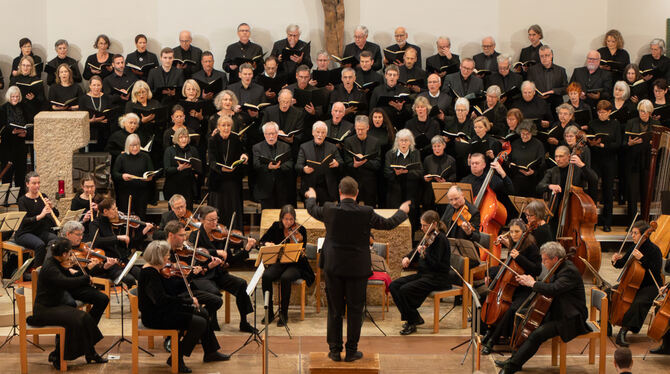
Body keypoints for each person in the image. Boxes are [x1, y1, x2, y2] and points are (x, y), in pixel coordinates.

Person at [305, 177, 410, 362]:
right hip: (357, 269)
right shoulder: (365, 212)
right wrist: (402, 212)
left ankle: (335, 350)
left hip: (334, 267)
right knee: (355, 311)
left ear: (339, 192)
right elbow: (388, 224)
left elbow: (312, 210)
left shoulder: (329, 209)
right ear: (357, 193)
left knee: (335, 311)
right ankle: (351, 351)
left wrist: (311, 197)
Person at [495, 242, 588, 374]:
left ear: (555, 258)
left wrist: (532, 283)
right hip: (557, 311)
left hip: (570, 318)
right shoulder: (558, 267)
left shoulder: (569, 271)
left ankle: (512, 367)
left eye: (545, 260)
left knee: (537, 334)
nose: (543, 263)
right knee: (523, 317)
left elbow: (554, 289)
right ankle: (515, 359)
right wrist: (530, 282)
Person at [138, 240, 229, 373]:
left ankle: (211, 352)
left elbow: (172, 288)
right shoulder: (150, 273)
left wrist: (191, 276)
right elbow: (161, 300)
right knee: (199, 323)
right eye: (166, 255)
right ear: (158, 256)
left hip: (163, 310)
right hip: (155, 316)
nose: (168, 258)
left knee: (202, 312)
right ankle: (176, 358)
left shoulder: (155, 270)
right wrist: (188, 301)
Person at [30, 238, 108, 369]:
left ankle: (85, 352)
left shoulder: (56, 263)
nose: (71, 256)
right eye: (70, 253)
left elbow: (70, 278)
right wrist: (85, 278)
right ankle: (61, 356)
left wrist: (86, 273)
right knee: (79, 318)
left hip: (55, 305)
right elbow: (65, 282)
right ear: (64, 254)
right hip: (45, 309)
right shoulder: (50, 268)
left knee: (82, 318)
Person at [186, 207, 258, 333]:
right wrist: (215, 252)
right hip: (203, 275)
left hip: (218, 274)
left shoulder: (221, 236)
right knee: (213, 292)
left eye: (216, 219)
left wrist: (246, 249)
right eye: (211, 220)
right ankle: (210, 321)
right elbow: (194, 253)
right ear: (202, 220)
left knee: (241, 284)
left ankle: (244, 322)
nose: (215, 223)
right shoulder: (195, 235)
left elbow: (232, 260)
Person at [481, 218, 542, 355]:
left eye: (517, 232)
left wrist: (519, 257)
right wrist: (489, 275)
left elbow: (536, 270)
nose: (514, 235)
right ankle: (488, 331)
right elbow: (507, 267)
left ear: (524, 231)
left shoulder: (531, 246)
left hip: (525, 287)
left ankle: (493, 339)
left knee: (511, 309)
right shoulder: (514, 244)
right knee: (485, 297)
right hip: (510, 285)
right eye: (512, 232)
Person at [390, 210, 451, 335]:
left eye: (425, 225)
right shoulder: (428, 236)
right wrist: (407, 257)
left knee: (405, 290)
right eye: (421, 225)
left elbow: (436, 264)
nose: (422, 228)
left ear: (434, 224)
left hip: (438, 277)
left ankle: (412, 321)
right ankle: (414, 318)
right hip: (424, 274)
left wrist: (424, 254)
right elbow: (415, 251)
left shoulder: (441, 239)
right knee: (394, 286)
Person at [259, 205, 314, 326]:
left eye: (291, 219)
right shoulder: (275, 227)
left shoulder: (301, 230)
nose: (288, 222)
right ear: (281, 218)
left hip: (296, 264)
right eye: (286, 219)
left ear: (294, 219)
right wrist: (267, 243)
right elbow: (261, 242)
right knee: (267, 276)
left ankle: (284, 313)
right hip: (280, 263)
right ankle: (269, 312)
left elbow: (301, 251)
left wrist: (299, 248)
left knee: (285, 278)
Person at [611, 220, 663, 347]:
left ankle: (623, 332)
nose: (632, 236)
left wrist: (642, 259)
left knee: (639, 303)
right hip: (633, 284)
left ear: (644, 235)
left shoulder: (654, 250)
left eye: (635, 233)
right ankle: (606, 324)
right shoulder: (634, 248)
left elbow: (656, 271)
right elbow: (622, 264)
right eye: (632, 233)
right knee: (609, 293)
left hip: (651, 285)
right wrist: (615, 261)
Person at [537, 146, 598, 226]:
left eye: (561, 156)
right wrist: (550, 186)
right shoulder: (552, 171)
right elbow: (539, 187)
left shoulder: (578, 170)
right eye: (556, 156)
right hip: (555, 211)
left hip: (574, 210)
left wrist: (582, 165)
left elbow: (594, 179)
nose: (558, 159)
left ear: (569, 157)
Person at [208, 115, 248, 230]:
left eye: (228, 125)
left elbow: (243, 152)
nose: (226, 128)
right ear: (218, 127)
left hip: (233, 180)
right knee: (218, 210)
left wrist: (244, 157)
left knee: (233, 210)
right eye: (223, 125)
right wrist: (221, 169)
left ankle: (235, 238)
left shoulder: (236, 139)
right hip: (218, 181)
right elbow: (211, 161)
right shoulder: (213, 140)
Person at [587, 100, 621, 232]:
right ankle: (592, 221)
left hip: (609, 160)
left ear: (609, 112)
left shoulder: (615, 124)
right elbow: (589, 140)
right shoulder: (592, 123)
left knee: (607, 191)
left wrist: (603, 145)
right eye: (599, 112)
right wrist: (593, 143)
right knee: (593, 191)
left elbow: (617, 143)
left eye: (603, 112)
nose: (600, 115)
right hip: (595, 159)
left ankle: (607, 222)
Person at [90, 198, 153, 268]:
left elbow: (129, 244)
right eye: (113, 209)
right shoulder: (95, 224)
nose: (117, 211)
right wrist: (117, 237)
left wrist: (143, 232)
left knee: (139, 274)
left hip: (122, 259)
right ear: (105, 211)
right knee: (130, 279)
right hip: (107, 261)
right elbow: (97, 241)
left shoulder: (118, 224)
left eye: (116, 208)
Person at [15, 172, 59, 269]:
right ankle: (35, 272)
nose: (37, 186)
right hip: (25, 232)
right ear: (27, 184)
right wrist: (41, 215)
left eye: (38, 183)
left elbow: (56, 215)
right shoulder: (22, 200)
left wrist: (52, 207)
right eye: (34, 183)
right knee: (40, 245)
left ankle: (48, 267)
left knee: (55, 239)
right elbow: (24, 221)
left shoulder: (43, 196)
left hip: (39, 231)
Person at [623, 99, 658, 221]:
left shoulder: (655, 124)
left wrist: (653, 143)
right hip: (633, 162)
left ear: (650, 112)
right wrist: (630, 143)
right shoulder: (631, 122)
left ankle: (644, 221)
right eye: (641, 111)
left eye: (645, 111)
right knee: (632, 194)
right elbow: (624, 144)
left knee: (645, 193)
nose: (642, 114)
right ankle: (631, 223)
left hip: (648, 162)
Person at [384, 129, 422, 229]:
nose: (403, 143)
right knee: (394, 219)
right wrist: (396, 173)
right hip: (394, 192)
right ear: (397, 142)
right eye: (401, 140)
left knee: (411, 220)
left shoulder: (415, 153)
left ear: (410, 142)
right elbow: (386, 173)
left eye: (406, 140)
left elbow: (419, 172)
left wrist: (407, 172)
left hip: (411, 192)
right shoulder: (390, 154)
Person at [296, 121, 343, 203]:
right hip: (310, 186)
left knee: (326, 214)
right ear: (313, 133)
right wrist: (304, 169)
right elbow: (298, 165)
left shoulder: (332, 147)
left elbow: (341, 162)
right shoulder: (304, 147)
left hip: (327, 187)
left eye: (323, 132)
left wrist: (337, 163)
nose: (320, 135)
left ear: (326, 134)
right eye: (318, 132)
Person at [111, 133, 155, 219]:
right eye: (132, 146)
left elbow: (151, 171)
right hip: (126, 192)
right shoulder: (121, 157)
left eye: (137, 145)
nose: (135, 148)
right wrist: (122, 176)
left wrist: (150, 177)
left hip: (142, 192)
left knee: (141, 216)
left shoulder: (145, 157)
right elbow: (115, 173)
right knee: (126, 217)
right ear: (127, 146)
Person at [252, 122, 294, 209]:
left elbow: (290, 164)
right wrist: (268, 167)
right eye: (268, 134)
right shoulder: (257, 147)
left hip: (282, 188)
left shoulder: (285, 147)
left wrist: (279, 166)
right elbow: (256, 165)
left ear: (277, 133)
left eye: (273, 133)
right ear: (264, 134)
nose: (271, 136)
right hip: (265, 189)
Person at [343, 115, 382, 207]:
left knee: (370, 207)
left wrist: (364, 162)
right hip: (353, 181)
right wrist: (354, 165)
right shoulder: (349, 141)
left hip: (370, 181)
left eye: (362, 129)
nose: (359, 132)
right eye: (357, 129)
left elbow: (377, 164)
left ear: (367, 127)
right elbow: (347, 163)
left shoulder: (375, 142)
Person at [0, 86, 30, 193]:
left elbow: (28, 123)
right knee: (7, 173)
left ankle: (20, 197)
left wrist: (25, 132)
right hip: (7, 146)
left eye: (17, 96)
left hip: (20, 144)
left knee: (20, 173)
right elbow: (2, 128)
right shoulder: (3, 109)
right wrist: (12, 131)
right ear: (9, 96)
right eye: (13, 96)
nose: (15, 99)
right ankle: (5, 198)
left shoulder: (23, 107)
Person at [508, 120, 545, 197]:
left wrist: (533, 172)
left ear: (532, 133)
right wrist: (510, 164)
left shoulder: (538, 144)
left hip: (532, 180)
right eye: (522, 134)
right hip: (516, 179)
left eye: (527, 134)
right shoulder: (514, 143)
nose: (524, 136)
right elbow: (509, 159)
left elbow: (542, 163)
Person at [527, 45, 568, 114]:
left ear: (551, 55)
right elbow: (529, 87)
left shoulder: (561, 70)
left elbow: (566, 88)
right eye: (542, 56)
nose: (544, 58)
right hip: (538, 103)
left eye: (547, 55)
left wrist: (553, 91)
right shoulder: (532, 70)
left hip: (556, 104)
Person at [164, 127, 198, 208]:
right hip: (174, 184)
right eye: (181, 137)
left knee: (188, 209)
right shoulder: (170, 150)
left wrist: (195, 169)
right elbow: (167, 169)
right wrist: (178, 168)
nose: (184, 139)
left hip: (188, 184)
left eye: (185, 137)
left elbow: (198, 165)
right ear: (176, 138)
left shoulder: (193, 150)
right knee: (174, 211)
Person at [422, 135, 457, 212]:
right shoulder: (427, 159)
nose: (437, 149)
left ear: (444, 146)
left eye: (439, 146)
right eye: (434, 146)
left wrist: (446, 181)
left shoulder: (451, 160)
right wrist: (425, 178)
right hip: (430, 192)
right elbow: (423, 174)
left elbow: (454, 176)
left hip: (445, 192)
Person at [124, 80, 164, 146]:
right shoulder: (130, 105)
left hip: (155, 135)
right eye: (138, 93)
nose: (141, 95)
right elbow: (128, 125)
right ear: (134, 94)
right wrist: (142, 121)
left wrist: (156, 121)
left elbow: (163, 118)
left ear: (148, 92)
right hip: (138, 136)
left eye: (143, 92)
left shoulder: (155, 103)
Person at [79, 75, 113, 150]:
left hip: (104, 131)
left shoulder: (107, 98)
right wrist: (91, 121)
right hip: (90, 130)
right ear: (90, 86)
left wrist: (107, 119)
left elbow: (110, 113)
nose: (96, 87)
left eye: (98, 85)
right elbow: (80, 119)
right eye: (94, 85)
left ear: (101, 86)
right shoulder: (83, 99)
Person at [443, 98, 475, 179]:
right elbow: (446, 135)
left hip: (466, 155)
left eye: (462, 110)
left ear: (467, 111)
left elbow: (474, 140)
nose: (459, 112)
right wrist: (446, 140)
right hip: (452, 153)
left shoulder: (472, 124)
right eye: (457, 110)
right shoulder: (450, 122)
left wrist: (463, 141)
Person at [10, 56, 46, 122]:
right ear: (20, 66)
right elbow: (9, 96)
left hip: (31, 110)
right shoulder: (14, 80)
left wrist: (33, 99)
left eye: (28, 66)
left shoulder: (37, 80)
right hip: (17, 110)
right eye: (23, 65)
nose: (25, 68)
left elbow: (42, 100)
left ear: (32, 67)